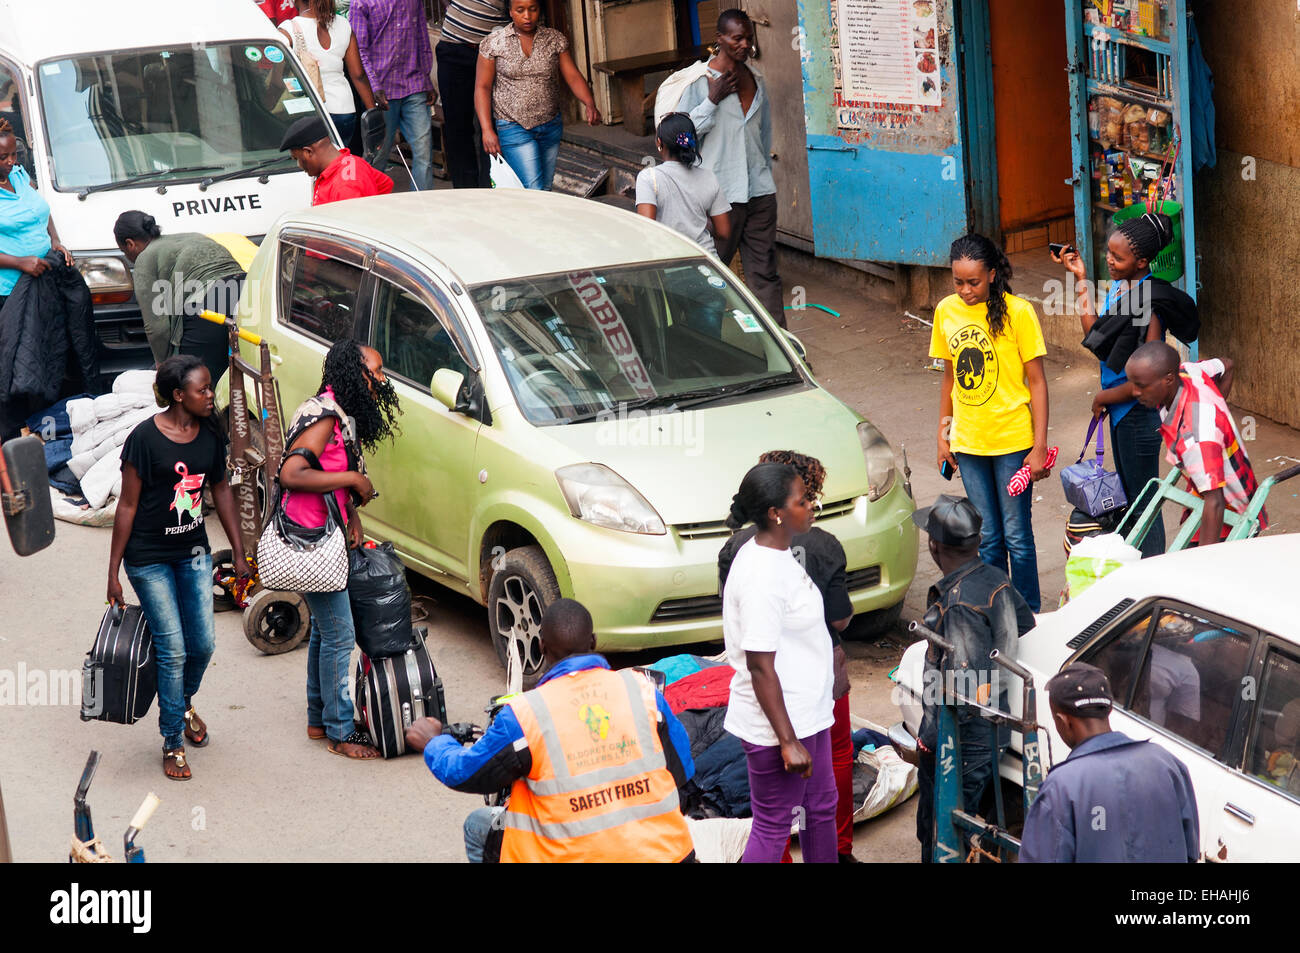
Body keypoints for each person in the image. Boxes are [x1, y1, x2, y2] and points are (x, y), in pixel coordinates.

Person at [408, 598, 696, 863]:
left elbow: (464, 772)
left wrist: (434, 742)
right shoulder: (642, 691)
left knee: (479, 825)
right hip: (667, 854)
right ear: (593, 641)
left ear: (542, 646)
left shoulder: (526, 714)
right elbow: (682, 771)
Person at [107, 356, 252, 780]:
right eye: (203, 390)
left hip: (193, 554)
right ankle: (172, 741)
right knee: (172, 650)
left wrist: (239, 552)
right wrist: (113, 572)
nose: (210, 396)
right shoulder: (145, 440)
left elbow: (221, 490)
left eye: (210, 389)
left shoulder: (209, 434)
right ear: (177, 395)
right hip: (148, 558)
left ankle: (182, 701)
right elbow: (127, 505)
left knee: (203, 645)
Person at [717, 451, 857, 862]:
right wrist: (788, 741)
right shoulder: (761, 575)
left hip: (807, 712)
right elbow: (759, 666)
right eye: (802, 501)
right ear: (776, 513)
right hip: (777, 725)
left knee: (820, 808)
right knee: (774, 822)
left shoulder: (778, 554)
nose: (811, 506)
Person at [278, 340, 401, 759]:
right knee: (341, 635)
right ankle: (341, 730)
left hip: (326, 536)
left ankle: (318, 718)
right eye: (376, 371)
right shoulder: (325, 418)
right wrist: (351, 479)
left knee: (327, 632)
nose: (381, 381)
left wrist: (353, 516)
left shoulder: (338, 415)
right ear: (353, 371)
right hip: (312, 539)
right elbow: (291, 473)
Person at [1055, 213, 1199, 558]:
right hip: (1119, 413)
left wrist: (1104, 395)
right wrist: (1081, 279)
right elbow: (1096, 337)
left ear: (1142, 262)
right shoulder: (1122, 289)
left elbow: (1142, 386)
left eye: (1117, 257)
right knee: (1131, 502)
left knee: (1143, 504)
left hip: (1137, 416)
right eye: (1109, 253)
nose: (1109, 259)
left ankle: (1152, 575)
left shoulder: (1149, 307)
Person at [910, 494, 1034, 862]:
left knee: (943, 832)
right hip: (990, 725)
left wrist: (932, 738)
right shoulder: (995, 577)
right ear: (978, 542)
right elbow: (1024, 625)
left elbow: (963, 690)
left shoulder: (960, 604)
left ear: (934, 545)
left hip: (965, 738)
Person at [933, 233, 1050, 611]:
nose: (965, 290)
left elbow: (1037, 382)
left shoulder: (1019, 313)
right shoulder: (945, 311)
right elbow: (949, 379)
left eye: (974, 282)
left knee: (1017, 536)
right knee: (988, 538)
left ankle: (1029, 611)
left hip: (1013, 442)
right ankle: (999, 610)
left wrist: (1039, 446)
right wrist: (943, 435)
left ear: (993, 274)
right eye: (958, 282)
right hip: (968, 444)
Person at [1019, 662, 1200, 862]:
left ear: (1063, 720)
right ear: (1109, 709)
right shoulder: (1168, 764)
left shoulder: (1061, 787)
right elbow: (1191, 851)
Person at [676, 9, 783, 327]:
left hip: (760, 193)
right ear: (720, 39)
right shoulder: (699, 82)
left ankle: (784, 352)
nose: (745, 44)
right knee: (712, 272)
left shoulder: (758, 80)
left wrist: (765, 175)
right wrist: (712, 99)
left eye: (749, 37)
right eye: (737, 38)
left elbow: (764, 138)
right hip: (721, 196)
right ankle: (703, 347)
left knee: (764, 274)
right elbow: (680, 139)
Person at [1126, 341, 1264, 545]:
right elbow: (1227, 364)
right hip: (1207, 487)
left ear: (1168, 379)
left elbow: (1215, 502)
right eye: (1133, 383)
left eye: (1141, 386)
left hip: (1231, 511)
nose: (1135, 392)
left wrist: (1203, 560)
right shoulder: (1188, 371)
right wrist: (1217, 407)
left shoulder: (1197, 434)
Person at [474, 0, 600, 191]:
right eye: (520, 10)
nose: (527, 15)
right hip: (513, 126)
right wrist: (486, 129)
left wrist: (589, 103)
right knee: (535, 188)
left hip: (550, 124)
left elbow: (573, 76)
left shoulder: (553, 39)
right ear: (510, 12)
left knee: (545, 188)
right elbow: (482, 87)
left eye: (532, 9)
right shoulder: (494, 43)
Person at [112, 212, 246, 384]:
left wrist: (162, 365)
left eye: (124, 252)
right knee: (245, 373)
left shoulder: (145, 258)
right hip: (245, 291)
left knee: (196, 384)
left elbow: (157, 327)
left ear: (130, 244)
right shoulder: (193, 236)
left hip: (207, 305)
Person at [349, 0, 435, 190]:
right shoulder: (362, 3)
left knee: (424, 153)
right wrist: (374, 85)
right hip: (383, 90)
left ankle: (424, 205)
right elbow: (359, 49)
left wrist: (426, 78)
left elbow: (422, 37)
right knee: (379, 154)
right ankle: (373, 205)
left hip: (414, 84)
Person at [279, 0, 378, 143]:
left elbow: (276, 77)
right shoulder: (344, 25)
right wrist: (373, 114)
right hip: (345, 111)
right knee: (338, 160)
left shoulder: (288, 29)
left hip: (312, 114)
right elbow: (358, 75)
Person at [435, 0, 509, 189]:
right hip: (454, 49)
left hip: (492, 54)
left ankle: (492, 187)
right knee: (458, 127)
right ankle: (465, 192)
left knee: (494, 124)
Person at [635, 113, 731, 256]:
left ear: (659, 143)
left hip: (668, 261)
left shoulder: (649, 177)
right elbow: (723, 232)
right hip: (706, 259)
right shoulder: (709, 177)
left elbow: (647, 228)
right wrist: (698, 224)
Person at [0, 117, 71, 308]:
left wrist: (55, 241)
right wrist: (19, 262)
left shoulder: (20, 175)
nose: (11, 161)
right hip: (9, 292)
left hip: (43, 281)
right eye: (3, 157)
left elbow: (41, 210)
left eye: (14, 154)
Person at [280, 115, 393, 204]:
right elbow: (385, 184)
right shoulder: (353, 162)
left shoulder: (345, 187)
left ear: (308, 152)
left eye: (297, 158)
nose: (299, 165)